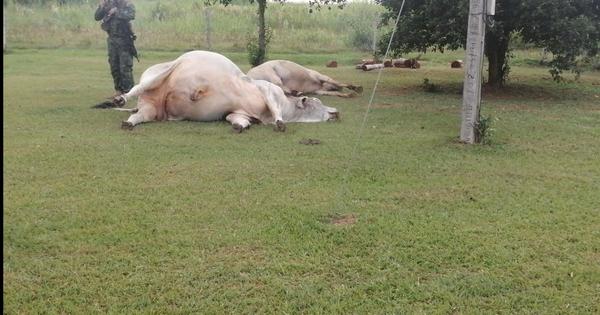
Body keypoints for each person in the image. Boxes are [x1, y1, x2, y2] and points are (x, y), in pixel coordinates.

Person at [95, 0, 137, 98]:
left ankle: (128, 93)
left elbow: (131, 15)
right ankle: (118, 91)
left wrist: (116, 12)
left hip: (124, 40)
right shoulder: (108, 4)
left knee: (125, 67)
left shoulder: (127, 4)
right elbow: (97, 17)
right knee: (114, 66)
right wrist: (101, 6)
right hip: (112, 40)